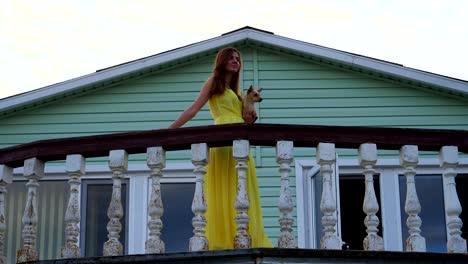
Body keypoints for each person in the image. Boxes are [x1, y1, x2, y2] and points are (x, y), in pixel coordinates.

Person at [168, 47, 272, 249]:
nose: (236, 61)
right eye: (232, 58)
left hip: (240, 140)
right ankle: (224, 240)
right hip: (222, 139)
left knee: (241, 189)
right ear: (222, 61)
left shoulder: (237, 91)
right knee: (225, 187)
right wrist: (169, 130)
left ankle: (242, 238)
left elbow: (246, 118)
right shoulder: (213, 83)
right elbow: (193, 109)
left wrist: (250, 116)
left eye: (238, 59)